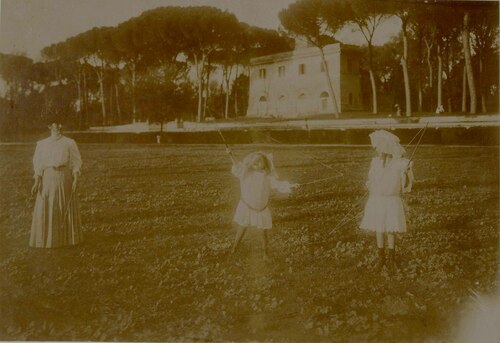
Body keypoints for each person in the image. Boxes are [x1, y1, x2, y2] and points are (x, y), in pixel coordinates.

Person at [360, 130, 414, 271]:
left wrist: (406, 172)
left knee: (391, 228)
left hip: (391, 200)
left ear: (386, 148)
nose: (377, 150)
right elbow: (371, 180)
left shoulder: (399, 163)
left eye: (379, 147)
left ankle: (391, 258)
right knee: (379, 228)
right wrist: (371, 185)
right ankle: (381, 257)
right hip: (377, 200)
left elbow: (406, 185)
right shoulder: (376, 163)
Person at [230, 151, 297, 259]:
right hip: (247, 206)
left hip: (260, 209)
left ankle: (265, 252)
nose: (256, 163)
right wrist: (231, 155)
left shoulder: (268, 177)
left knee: (263, 232)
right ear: (251, 163)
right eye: (254, 161)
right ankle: (234, 248)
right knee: (242, 227)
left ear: (265, 164)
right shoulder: (246, 173)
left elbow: (278, 184)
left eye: (259, 161)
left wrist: (291, 186)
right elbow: (237, 166)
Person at [30, 117, 83, 248]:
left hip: (65, 178)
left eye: (60, 123)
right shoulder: (41, 144)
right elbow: (38, 165)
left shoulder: (70, 143)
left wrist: (75, 178)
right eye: (55, 124)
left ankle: (67, 240)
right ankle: (47, 240)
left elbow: (75, 162)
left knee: (64, 206)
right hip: (48, 178)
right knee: (48, 206)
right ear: (49, 126)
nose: (58, 126)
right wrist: (37, 181)